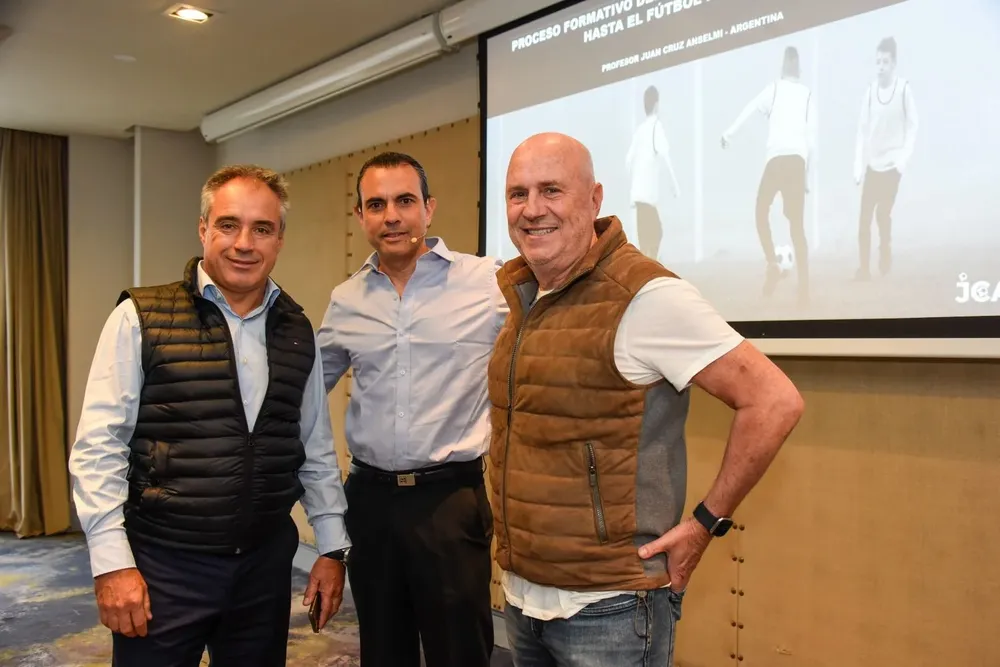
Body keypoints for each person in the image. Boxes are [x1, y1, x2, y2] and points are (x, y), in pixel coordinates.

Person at [490, 132, 805, 667]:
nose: (532, 209)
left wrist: (706, 523)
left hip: (608, 610)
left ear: (595, 200)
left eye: (551, 190)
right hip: (525, 597)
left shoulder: (646, 296)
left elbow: (774, 400)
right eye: (517, 194)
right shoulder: (527, 294)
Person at [67, 165, 351, 667]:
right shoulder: (140, 317)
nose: (244, 243)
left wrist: (330, 547)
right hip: (163, 567)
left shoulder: (296, 329)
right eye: (228, 224)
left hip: (262, 569)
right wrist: (111, 565)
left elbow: (313, 447)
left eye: (262, 228)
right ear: (203, 230)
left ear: (279, 240)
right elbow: (98, 447)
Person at [316, 151, 505, 667]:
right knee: (383, 648)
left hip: (450, 501)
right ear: (360, 217)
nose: (391, 216)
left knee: (459, 651)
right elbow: (308, 394)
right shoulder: (347, 299)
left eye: (404, 201)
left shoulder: (488, 283)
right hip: (370, 503)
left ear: (429, 209)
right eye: (376, 205)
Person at [722, 46, 816, 305]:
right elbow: (812, 140)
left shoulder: (777, 89)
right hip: (794, 162)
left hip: (779, 161)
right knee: (794, 224)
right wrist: (806, 173)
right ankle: (801, 287)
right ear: (798, 68)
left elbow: (750, 108)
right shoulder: (804, 94)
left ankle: (774, 265)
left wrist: (729, 133)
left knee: (762, 212)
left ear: (785, 66)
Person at [853, 36, 918, 280]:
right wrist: (858, 166)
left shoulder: (903, 90)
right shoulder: (870, 93)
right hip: (873, 165)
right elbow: (861, 130)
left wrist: (903, 160)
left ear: (894, 64)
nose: (880, 66)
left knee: (882, 214)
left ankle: (885, 250)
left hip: (893, 166)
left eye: (885, 62)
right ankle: (864, 270)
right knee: (864, 219)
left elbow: (913, 125)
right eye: (877, 62)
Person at [625, 84, 680, 261]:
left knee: (646, 237)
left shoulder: (640, 130)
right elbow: (666, 157)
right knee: (656, 233)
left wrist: (632, 186)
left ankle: (648, 268)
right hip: (647, 195)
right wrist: (675, 186)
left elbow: (628, 160)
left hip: (638, 195)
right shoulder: (656, 127)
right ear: (657, 104)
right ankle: (651, 266)